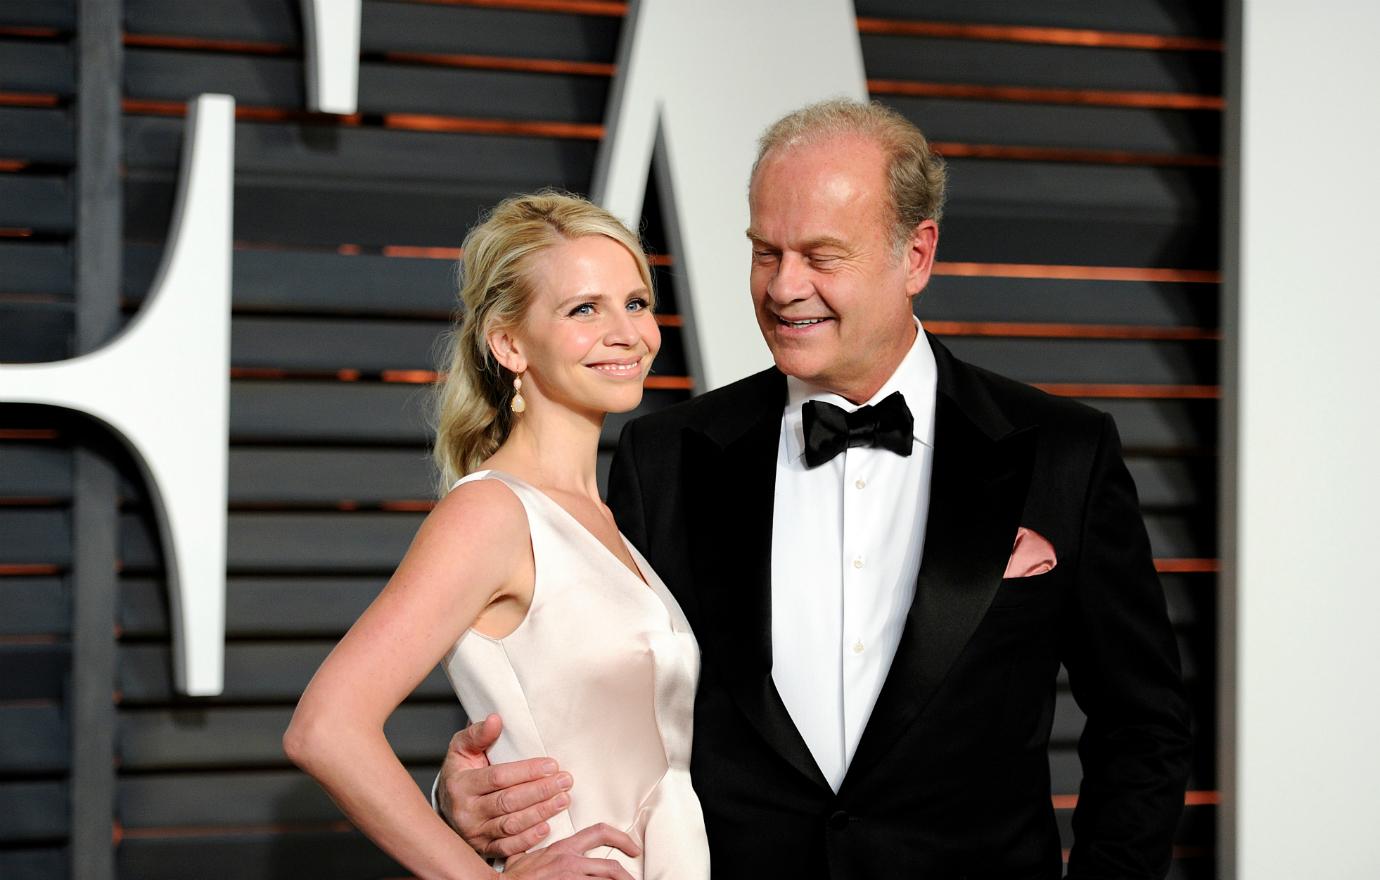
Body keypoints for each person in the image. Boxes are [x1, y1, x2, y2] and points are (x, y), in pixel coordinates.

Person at [437, 99, 1194, 878]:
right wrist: (461, 797)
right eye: (766, 253)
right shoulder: (663, 456)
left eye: (821, 256)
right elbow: (588, 692)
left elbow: (1145, 727)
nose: (784, 286)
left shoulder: (1063, 453)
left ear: (917, 254)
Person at [284, 191, 711, 880]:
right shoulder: (491, 515)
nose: (628, 332)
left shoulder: (606, 521)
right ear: (509, 342)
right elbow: (324, 729)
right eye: (584, 309)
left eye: (635, 302)